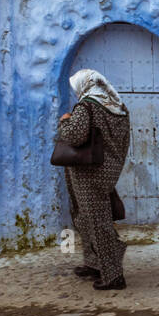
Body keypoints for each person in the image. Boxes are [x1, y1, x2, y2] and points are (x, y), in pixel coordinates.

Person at [57, 69, 131, 290]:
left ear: (84, 85)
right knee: (87, 217)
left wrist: (64, 121)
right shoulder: (118, 106)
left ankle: (113, 275)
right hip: (106, 170)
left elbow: (74, 135)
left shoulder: (87, 105)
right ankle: (94, 263)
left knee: (96, 221)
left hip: (87, 172)